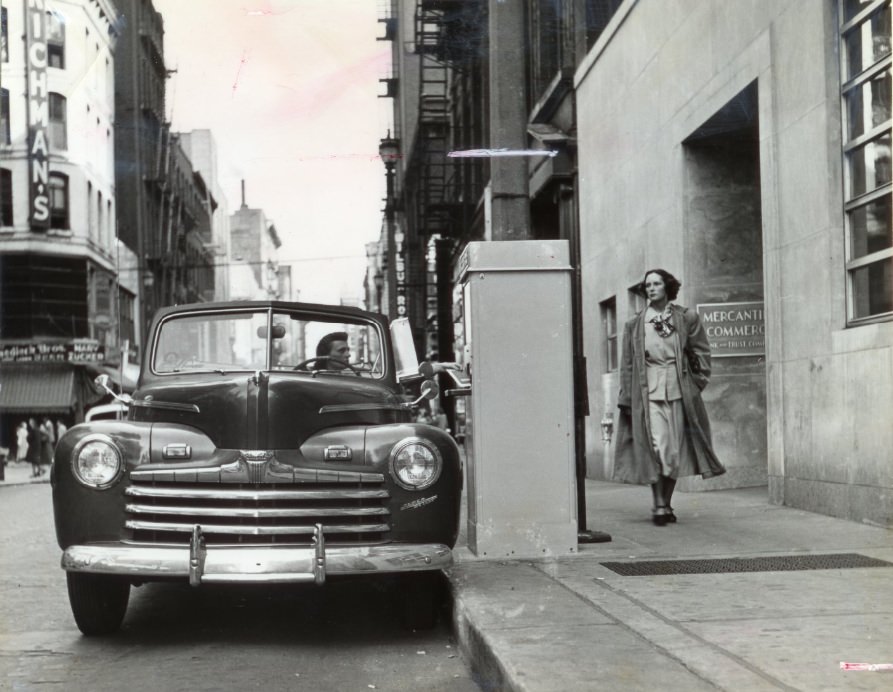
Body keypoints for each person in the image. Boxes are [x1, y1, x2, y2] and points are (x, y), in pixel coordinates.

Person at [613, 268, 725, 525]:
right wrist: (626, 398)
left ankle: (666, 503)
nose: (651, 289)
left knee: (674, 451)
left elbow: (702, 355)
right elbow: (628, 364)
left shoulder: (686, 318)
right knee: (658, 447)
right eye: (648, 285)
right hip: (647, 392)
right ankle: (659, 504)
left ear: (668, 287)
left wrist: (695, 385)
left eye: (656, 284)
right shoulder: (635, 323)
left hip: (678, 391)